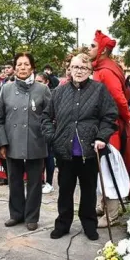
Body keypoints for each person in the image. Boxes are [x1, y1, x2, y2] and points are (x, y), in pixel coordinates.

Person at [42, 54, 118, 241]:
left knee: (89, 190)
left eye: (83, 68)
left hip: (90, 151)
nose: (78, 71)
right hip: (64, 151)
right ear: (70, 69)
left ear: (90, 71)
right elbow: (45, 117)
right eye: (75, 67)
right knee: (65, 190)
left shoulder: (99, 90)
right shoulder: (59, 92)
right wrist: (52, 137)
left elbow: (109, 116)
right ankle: (63, 224)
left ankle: (89, 224)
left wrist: (102, 137)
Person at [0, 52, 52, 231]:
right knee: (14, 180)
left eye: (26, 64)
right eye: (19, 64)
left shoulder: (42, 89)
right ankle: (16, 214)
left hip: (36, 141)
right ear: (14, 67)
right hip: (12, 142)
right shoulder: (6, 89)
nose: (22, 68)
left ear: (32, 67)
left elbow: (50, 116)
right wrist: (2, 143)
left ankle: (32, 216)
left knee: (35, 182)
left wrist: (46, 135)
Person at [89, 31, 130, 227]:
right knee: (102, 167)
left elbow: (118, 97)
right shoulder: (102, 67)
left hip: (110, 127)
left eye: (92, 45)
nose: (89, 48)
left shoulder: (105, 70)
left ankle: (112, 212)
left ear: (104, 50)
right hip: (105, 125)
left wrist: (128, 117)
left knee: (109, 167)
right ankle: (104, 204)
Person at [35, 72, 55, 194]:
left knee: (49, 156)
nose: (37, 84)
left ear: (46, 82)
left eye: (40, 81)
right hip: (35, 130)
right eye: (35, 81)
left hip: (47, 129)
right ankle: (40, 181)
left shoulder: (50, 94)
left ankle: (49, 182)